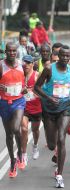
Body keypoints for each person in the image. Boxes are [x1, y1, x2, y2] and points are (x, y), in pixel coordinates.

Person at [34, 45, 70, 188]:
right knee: (52, 145)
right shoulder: (49, 69)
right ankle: (55, 132)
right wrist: (49, 98)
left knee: (62, 140)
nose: (65, 58)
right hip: (49, 109)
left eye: (67, 56)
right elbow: (36, 87)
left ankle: (59, 175)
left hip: (64, 108)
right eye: (62, 55)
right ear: (58, 56)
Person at [0, 42, 26, 177]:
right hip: (4, 103)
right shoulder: (1, 65)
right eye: (9, 51)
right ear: (5, 51)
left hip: (18, 102)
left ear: (16, 52)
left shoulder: (22, 64)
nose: (11, 53)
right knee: (9, 134)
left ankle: (20, 153)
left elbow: (25, 82)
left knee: (16, 128)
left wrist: (25, 88)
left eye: (14, 51)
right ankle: (12, 160)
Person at [21, 55, 42, 166]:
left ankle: (35, 145)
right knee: (24, 129)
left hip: (36, 107)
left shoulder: (37, 75)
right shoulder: (20, 75)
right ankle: (24, 154)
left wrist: (33, 93)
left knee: (35, 130)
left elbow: (43, 91)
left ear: (33, 64)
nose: (26, 65)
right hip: (23, 107)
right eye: (25, 63)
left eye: (29, 63)